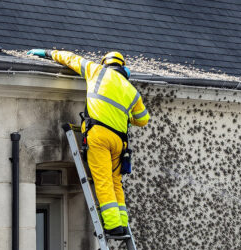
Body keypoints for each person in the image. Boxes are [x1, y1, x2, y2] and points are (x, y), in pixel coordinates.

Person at [27, 49, 150, 236]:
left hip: (98, 136)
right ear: (124, 68)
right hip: (119, 142)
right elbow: (143, 119)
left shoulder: (96, 71)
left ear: (105, 63)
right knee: (116, 181)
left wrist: (47, 53)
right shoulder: (131, 90)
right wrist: (124, 116)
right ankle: (122, 223)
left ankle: (112, 225)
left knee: (103, 180)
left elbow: (71, 59)